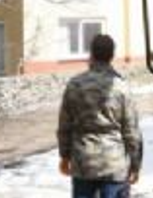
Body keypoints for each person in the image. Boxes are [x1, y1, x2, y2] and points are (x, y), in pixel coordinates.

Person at [57, 34, 143, 198]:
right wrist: (135, 164)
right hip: (114, 164)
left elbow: (65, 126)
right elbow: (131, 130)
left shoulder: (75, 84)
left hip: (83, 163)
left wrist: (65, 156)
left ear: (91, 54)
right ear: (112, 55)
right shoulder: (121, 87)